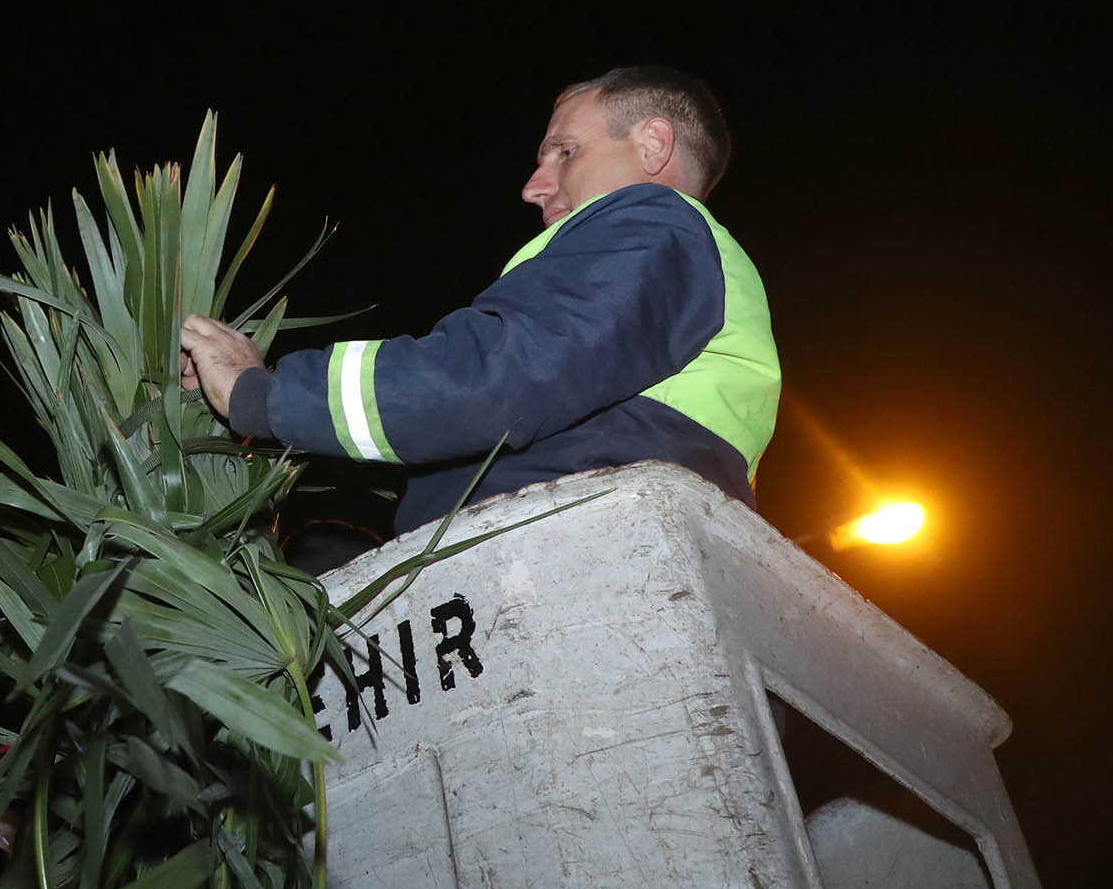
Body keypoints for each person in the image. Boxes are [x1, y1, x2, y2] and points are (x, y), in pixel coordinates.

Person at [179, 65, 780, 536]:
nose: (533, 185)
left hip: (574, 555)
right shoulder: (687, 260)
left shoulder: (656, 223)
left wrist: (263, 394)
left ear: (652, 146)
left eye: (564, 151)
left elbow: (493, 377)